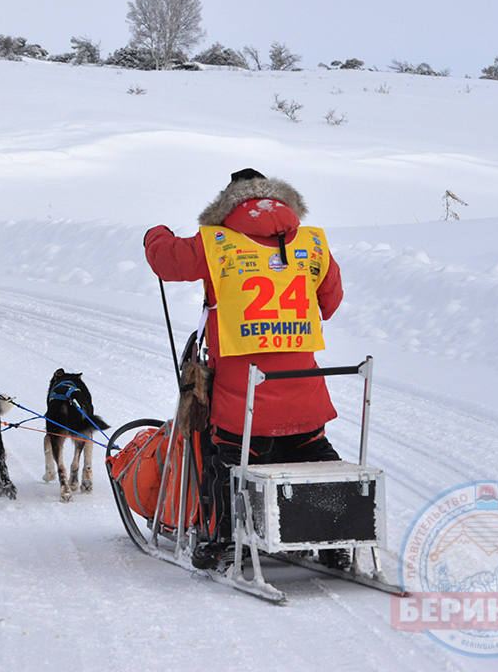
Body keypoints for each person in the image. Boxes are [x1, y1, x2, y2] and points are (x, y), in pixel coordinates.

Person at [142, 168, 346, 569]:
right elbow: (330, 303)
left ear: (229, 203)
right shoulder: (312, 243)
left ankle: (219, 541)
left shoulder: (216, 242)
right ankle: (334, 537)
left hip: (242, 391)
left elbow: (166, 261)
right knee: (311, 451)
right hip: (303, 386)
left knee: (228, 459)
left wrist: (156, 233)